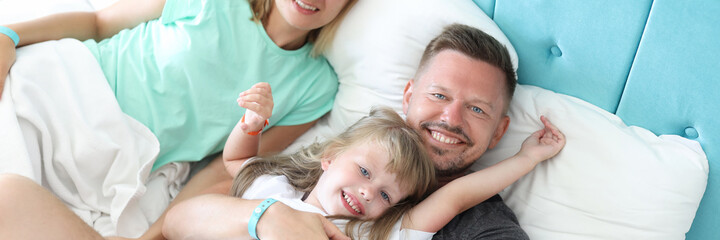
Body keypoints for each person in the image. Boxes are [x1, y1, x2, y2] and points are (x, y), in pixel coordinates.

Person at [159, 23, 552, 239]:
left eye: (477, 109)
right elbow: (231, 171)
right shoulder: (284, 186)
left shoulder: (375, 230)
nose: (451, 118)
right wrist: (251, 127)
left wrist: (527, 158)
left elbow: (456, 198)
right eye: (438, 94)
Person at [0, 0, 357, 238]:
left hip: (111, 163)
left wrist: (154, 234)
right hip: (61, 85)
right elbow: (97, 22)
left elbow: (226, 168)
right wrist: (9, 35)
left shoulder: (316, 86)